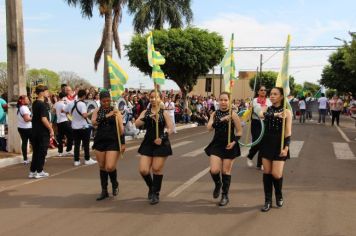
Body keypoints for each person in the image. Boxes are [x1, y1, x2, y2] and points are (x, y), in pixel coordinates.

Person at [135, 90, 173, 205]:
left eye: (155, 97)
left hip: (161, 143)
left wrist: (162, 137)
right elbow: (137, 124)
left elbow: (170, 128)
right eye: (151, 97)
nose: (152, 99)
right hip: (148, 142)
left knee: (156, 168)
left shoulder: (163, 113)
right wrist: (149, 117)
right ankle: (151, 187)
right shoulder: (145, 112)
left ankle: (156, 193)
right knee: (143, 170)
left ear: (159, 99)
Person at [205, 92, 242, 207]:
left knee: (226, 171)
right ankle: (218, 183)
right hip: (216, 145)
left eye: (226, 100)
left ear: (229, 101)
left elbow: (239, 131)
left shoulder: (233, 114)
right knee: (214, 170)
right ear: (218, 101)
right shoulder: (215, 114)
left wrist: (234, 142)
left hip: (229, 145)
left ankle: (225, 195)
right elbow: (209, 128)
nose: (223, 102)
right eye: (221, 100)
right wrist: (222, 119)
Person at [258, 87, 292, 212]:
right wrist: (275, 114)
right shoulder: (267, 108)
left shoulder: (287, 112)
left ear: (281, 96)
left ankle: (278, 194)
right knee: (267, 173)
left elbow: (288, 132)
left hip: (280, 144)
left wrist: (286, 147)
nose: (271, 96)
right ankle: (267, 200)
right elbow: (261, 114)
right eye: (271, 94)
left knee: (276, 174)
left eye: (275, 94)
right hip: (266, 143)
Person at [92, 90, 125, 201]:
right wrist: (107, 115)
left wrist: (123, 143)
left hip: (113, 141)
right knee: (102, 166)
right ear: (100, 101)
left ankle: (115, 183)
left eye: (108, 101)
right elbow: (94, 122)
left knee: (109, 166)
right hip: (100, 140)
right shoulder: (97, 111)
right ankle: (104, 191)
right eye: (104, 101)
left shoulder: (115, 111)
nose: (106, 103)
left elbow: (121, 128)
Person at [65, 89, 97, 166]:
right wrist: (92, 111)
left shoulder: (71, 103)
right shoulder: (82, 104)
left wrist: (71, 117)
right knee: (86, 144)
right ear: (83, 96)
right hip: (83, 127)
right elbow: (84, 115)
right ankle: (87, 159)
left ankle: (76, 160)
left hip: (74, 126)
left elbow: (64, 111)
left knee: (77, 144)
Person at [29, 85, 54, 179]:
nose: (48, 93)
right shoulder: (42, 104)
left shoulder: (35, 103)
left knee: (36, 151)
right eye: (46, 91)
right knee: (42, 152)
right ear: (41, 93)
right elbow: (43, 119)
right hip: (42, 132)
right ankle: (39, 171)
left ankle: (32, 171)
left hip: (35, 131)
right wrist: (50, 129)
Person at [246, 86, 271, 169]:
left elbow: (270, 110)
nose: (263, 91)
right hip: (256, 123)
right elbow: (253, 111)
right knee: (257, 141)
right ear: (258, 92)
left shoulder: (269, 101)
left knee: (263, 143)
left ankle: (260, 164)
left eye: (265, 90)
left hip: (265, 123)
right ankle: (250, 156)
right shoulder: (254, 101)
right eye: (261, 90)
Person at [54, 92, 73, 157]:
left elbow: (53, 111)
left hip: (59, 122)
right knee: (71, 134)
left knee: (60, 137)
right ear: (64, 97)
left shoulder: (56, 104)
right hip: (64, 121)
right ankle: (68, 150)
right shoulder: (63, 104)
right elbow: (63, 110)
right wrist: (68, 112)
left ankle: (60, 152)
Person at [17, 95, 32, 165]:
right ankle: (37, 158)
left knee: (24, 143)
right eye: (27, 99)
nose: (28, 100)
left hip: (21, 127)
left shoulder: (21, 107)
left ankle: (25, 159)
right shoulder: (24, 108)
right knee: (35, 143)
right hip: (27, 128)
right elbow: (26, 119)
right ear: (22, 101)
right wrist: (35, 118)